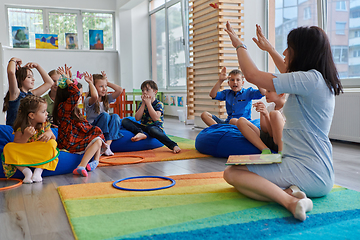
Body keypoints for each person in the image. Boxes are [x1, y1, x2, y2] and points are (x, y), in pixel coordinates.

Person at [223, 22, 343, 221]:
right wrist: (269, 49)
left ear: (303, 52)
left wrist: (238, 44)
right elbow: (285, 71)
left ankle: (291, 202)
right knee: (240, 170)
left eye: (290, 48)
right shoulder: (316, 80)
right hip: (309, 167)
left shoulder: (310, 80)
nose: (285, 52)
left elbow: (252, 75)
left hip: (309, 170)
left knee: (232, 174)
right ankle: (291, 192)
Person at [53, 65, 108, 177]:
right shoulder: (63, 107)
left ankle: (94, 161)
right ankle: (82, 166)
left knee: (96, 133)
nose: (79, 97)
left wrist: (68, 78)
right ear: (68, 96)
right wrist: (66, 79)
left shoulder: (73, 109)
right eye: (78, 96)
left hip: (76, 137)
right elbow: (75, 93)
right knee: (96, 137)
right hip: (70, 141)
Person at [2, 95, 58, 183]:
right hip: (26, 152)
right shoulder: (21, 127)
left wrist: (49, 133)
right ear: (32, 115)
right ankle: (27, 172)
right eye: (43, 111)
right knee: (8, 148)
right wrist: (26, 136)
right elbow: (17, 143)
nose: (47, 113)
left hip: (39, 151)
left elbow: (54, 139)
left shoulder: (45, 124)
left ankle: (38, 171)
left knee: (52, 144)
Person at [121, 80, 181, 154]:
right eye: (143, 90)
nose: (144, 92)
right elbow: (137, 118)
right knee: (125, 120)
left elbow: (155, 118)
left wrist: (148, 104)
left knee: (152, 129)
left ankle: (173, 145)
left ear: (155, 92)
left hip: (155, 128)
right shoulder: (141, 104)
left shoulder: (159, 104)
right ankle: (140, 133)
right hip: (143, 127)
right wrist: (143, 104)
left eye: (147, 90)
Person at [201, 67, 265, 126]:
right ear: (228, 83)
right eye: (232, 80)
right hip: (228, 123)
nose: (235, 82)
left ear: (242, 83)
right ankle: (219, 129)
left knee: (233, 121)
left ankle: (220, 130)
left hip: (242, 123)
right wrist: (220, 81)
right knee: (204, 115)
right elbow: (212, 95)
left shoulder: (248, 92)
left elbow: (263, 93)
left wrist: (255, 80)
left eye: (238, 80)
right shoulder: (227, 93)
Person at [3, 57, 53, 126]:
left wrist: (37, 66)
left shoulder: (31, 94)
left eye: (32, 77)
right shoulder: (16, 93)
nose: (33, 80)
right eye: (29, 77)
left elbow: (50, 83)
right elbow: (11, 72)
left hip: (26, 132)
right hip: (13, 132)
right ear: (20, 79)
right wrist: (13, 59)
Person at [84, 71, 123, 156]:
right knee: (105, 115)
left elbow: (119, 90)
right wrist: (91, 83)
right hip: (93, 128)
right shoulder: (89, 100)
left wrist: (106, 82)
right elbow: (95, 96)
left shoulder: (106, 98)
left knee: (115, 116)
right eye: (101, 86)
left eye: (105, 86)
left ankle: (107, 146)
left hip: (105, 127)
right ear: (94, 87)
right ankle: (102, 143)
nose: (104, 89)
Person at [237, 90, 286, 154]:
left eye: (269, 91)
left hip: (282, 141)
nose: (265, 93)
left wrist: (267, 115)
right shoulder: (271, 107)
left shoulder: (288, 108)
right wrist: (263, 113)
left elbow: (273, 134)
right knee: (240, 121)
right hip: (270, 139)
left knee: (275, 114)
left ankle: (282, 152)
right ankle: (265, 149)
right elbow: (265, 130)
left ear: (281, 93)